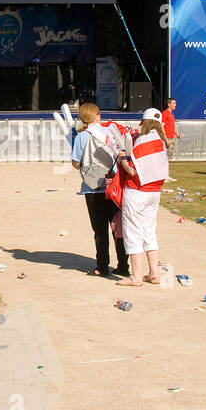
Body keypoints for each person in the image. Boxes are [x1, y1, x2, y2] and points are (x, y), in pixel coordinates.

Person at [70, 101, 129, 279]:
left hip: (92, 187)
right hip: (113, 186)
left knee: (99, 230)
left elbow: (75, 163)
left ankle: (102, 266)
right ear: (96, 115)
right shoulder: (109, 132)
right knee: (118, 228)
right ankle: (123, 266)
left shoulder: (81, 137)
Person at [115, 108, 169, 286]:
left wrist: (122, 158)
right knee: (149, 232)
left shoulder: (141, 140)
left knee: (133, 233)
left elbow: (131, 170)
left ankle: (136, 277)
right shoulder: (161, 142)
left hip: (136, 191)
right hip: (154, 193)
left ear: (143, 123)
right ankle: (154, 274)